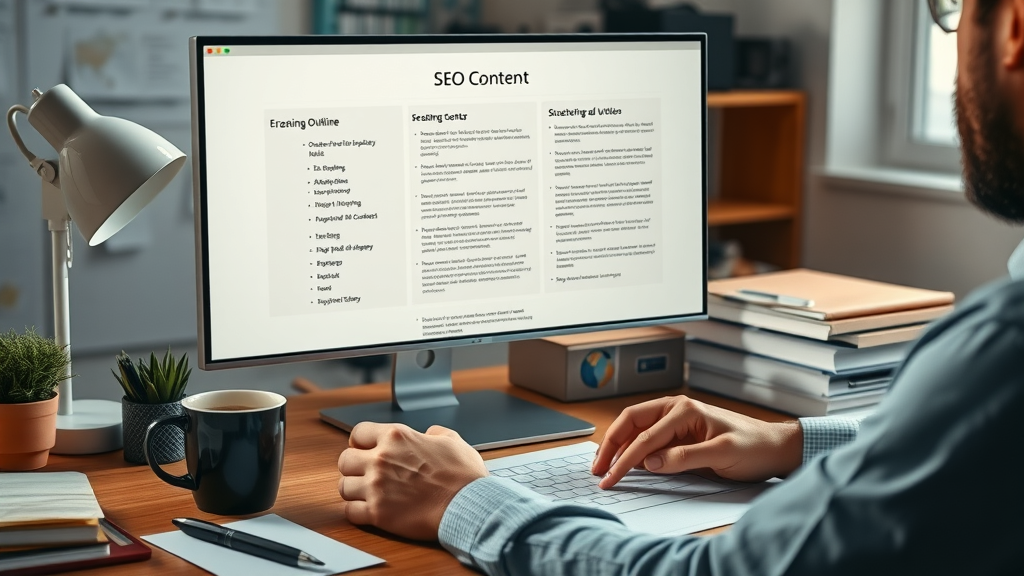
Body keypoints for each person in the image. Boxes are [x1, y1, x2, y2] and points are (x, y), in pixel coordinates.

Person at [336, 0, 1024, 573]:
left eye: (953, 10)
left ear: (1013, 26)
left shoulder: (1002, 350)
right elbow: (956, 451)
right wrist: (788, 441)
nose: (954, 32)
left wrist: (466, 504)